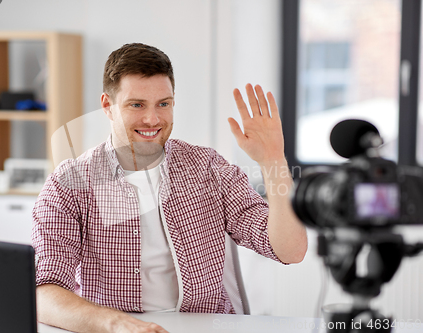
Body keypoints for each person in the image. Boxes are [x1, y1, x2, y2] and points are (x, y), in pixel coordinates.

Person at [33, 43, 308, 333]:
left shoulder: (208, 167)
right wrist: (116, 324)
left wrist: (273, 160)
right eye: (136, 104)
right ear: (107, 106)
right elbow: (44, 291)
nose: (152, 119)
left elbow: (290, 250)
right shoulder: (70, 182)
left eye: (163, 103)